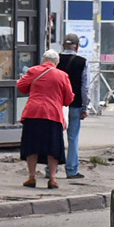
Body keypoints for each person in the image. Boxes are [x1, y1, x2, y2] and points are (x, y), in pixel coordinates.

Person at [17, 49, 73, 189]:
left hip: (33, 113)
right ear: (57, 62)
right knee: (53, 147)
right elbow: (68, 99)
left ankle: (31, 177)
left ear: (43, 60)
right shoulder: (62, 75)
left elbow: (21, 86)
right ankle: (52, 179)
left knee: (32, 146)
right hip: (53, 114)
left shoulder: (33, 71)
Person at [58, 33, 91, 179]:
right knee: (73, 138)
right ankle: (71, 170)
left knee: (56, 136)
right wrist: (85, 107)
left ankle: (50, 169)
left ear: (63, 45)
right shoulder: (82, 62)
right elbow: (85, 87)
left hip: (57, 104)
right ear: (77, 46)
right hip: (75, 104)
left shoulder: (55, 60)